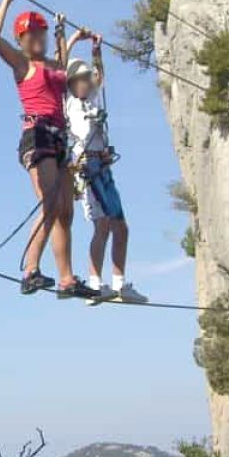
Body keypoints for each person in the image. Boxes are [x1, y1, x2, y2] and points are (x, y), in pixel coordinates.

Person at [0, 0, 99, 300]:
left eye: (41, 33)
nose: (37, 38)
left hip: (59, 139)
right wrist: (7, 0)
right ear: (21, 40)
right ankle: (30, 269)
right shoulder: (23, 64)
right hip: (37, 136)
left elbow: (63, 65)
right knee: (50, 203)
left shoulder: (52, 64)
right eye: (31, 34)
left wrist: (67, 34)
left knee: (65, 213)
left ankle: (65, 278)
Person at [65, 46, 148, 304]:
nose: (87, 83)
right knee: (107, 226)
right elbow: (58, 65)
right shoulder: (70, 104)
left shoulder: (93, 99)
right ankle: (98, 284)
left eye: (87, 79)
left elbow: (100, 75)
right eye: (81, 79)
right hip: (88, 168)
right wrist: (65, 38)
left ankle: (113, 284)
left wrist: (96, 51)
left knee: (116, 227)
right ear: (71, 83)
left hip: (101, 167)